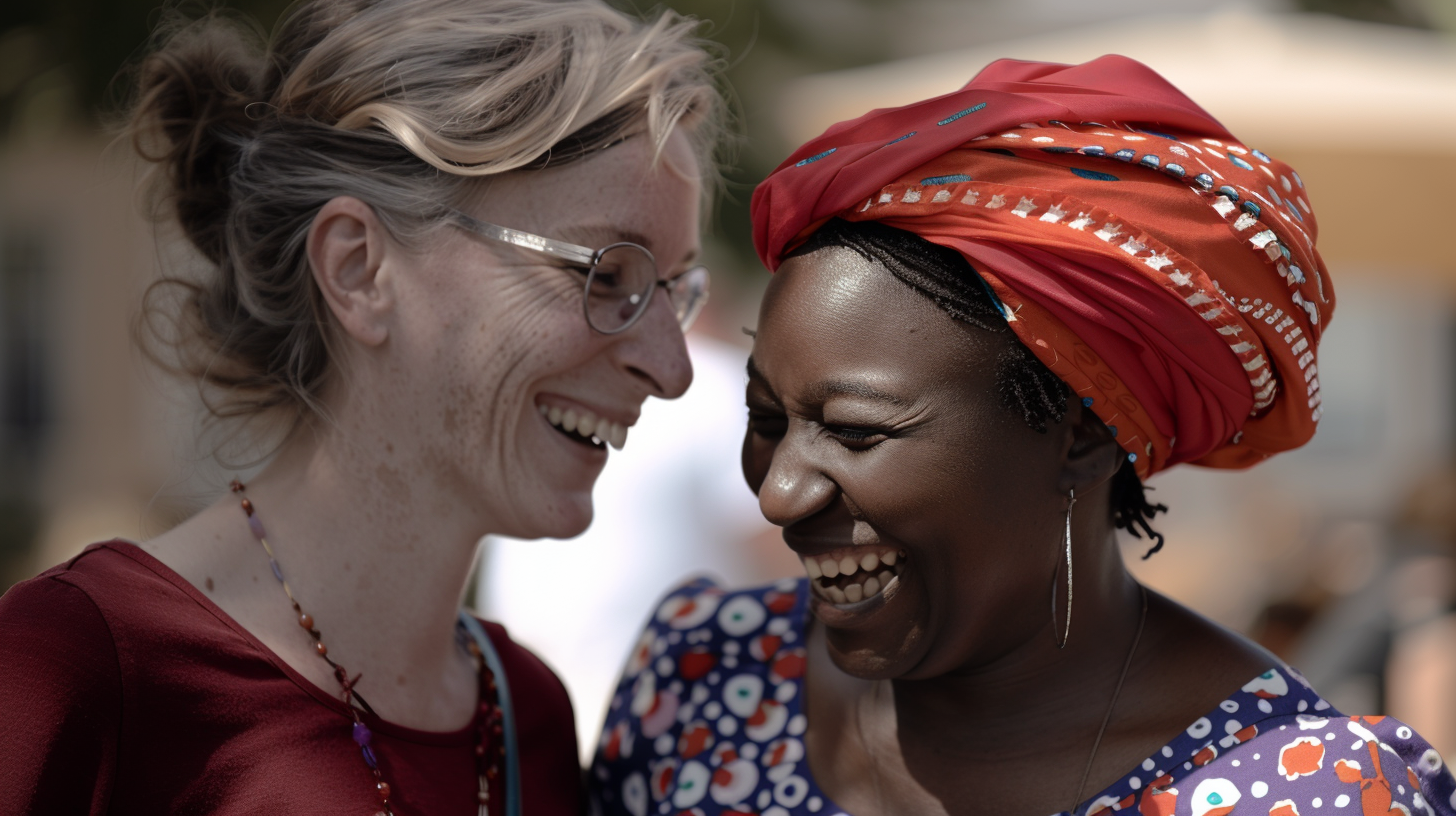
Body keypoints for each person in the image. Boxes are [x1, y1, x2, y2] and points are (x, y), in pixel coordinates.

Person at [590, 57, 1456, 816]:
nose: (780, 493)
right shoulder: (704, 683)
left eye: (854, 433)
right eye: (768, 421)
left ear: (1079, 434)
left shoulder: (1308, 792)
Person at [0, 0, 724, 813]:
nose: (672, 369)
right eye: (603, 274)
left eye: (673, 290)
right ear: (358, 269)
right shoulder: (80, 670)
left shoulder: (529, 720)